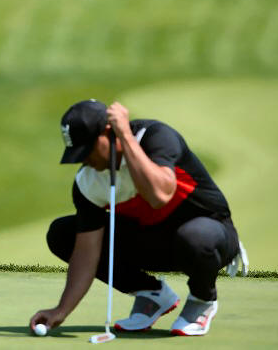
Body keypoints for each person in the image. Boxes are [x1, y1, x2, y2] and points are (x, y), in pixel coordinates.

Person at [30, 99, 243, 336]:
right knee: (62, 234)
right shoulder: (88, 182)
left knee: (195, 237)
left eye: (88, 149)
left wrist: (125, 136)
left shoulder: (156, 137)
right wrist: (61, 310)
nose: (84, 160)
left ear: (109, 131)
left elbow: (159, 195)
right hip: (153, 243)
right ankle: (151, 293)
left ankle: (202, 299)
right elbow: (87, 252)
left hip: (209, 236)